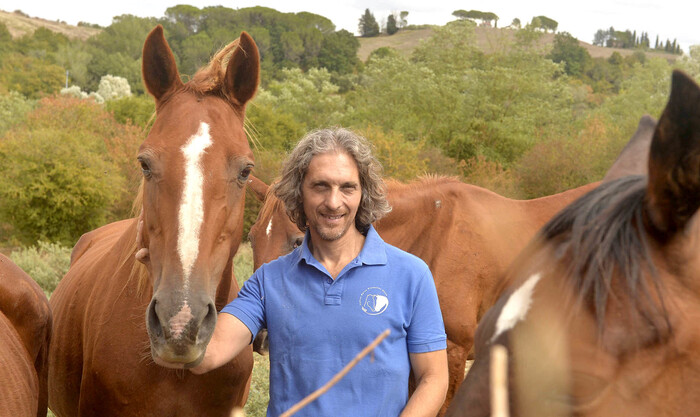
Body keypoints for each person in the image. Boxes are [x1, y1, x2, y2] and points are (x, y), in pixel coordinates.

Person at [192, 127, 448, 416]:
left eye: (347, 187)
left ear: (363, 194)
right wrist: (171, 276)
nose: (334, 202)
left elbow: (433, 377)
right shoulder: (268, 281)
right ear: (299, 192)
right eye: (320, 186)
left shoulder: (411, 275)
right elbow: (206, 354)